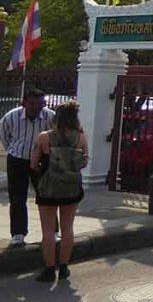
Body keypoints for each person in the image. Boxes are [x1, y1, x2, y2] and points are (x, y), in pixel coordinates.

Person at [30, 101, 87, 282]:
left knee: (48, 231)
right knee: (68, 228)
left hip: (48, 188)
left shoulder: (44, 137)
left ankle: (49, 268)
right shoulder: (80, 138)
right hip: (71, 187)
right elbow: (84, 163)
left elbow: (33, 163)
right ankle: (63, 268)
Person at [0, 88, 55, 248]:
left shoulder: (49, 116)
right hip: (17, 160)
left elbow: (55, 135)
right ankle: (18, 233)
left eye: (39, 104)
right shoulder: (11, 117)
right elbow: (4, 135)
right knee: (17, 197)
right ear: (24, 103)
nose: (35, 107)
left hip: (40, 162)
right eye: (32, 103)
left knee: (47, 196)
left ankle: (53, 231)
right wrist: (14, 149)